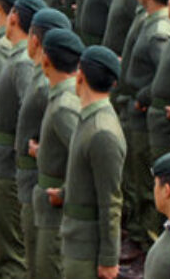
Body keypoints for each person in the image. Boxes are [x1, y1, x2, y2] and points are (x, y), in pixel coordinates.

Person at [57, 45, 126, 279]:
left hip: (86, 248)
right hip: (75, 237)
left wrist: (109, 258)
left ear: (80, 76)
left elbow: (111, 201)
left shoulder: (101, 132)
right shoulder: (89, 119)